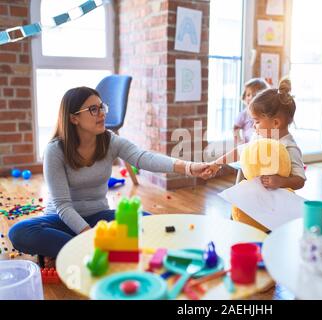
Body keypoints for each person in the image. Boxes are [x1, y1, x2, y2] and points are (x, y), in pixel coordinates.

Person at [8, 86, 212, 268]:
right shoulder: (55, 150)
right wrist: (89, 235)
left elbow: (143, 158)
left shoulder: (110, 140)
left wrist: (189, 167)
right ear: (73, 118)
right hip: (61, 220)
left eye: (101, 107)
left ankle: (74, 251)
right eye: (93, 109)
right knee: (19, 232)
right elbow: (62, 206)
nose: (102, 114)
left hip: (99, 217)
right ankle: (92, 249)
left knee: (150, 224)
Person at [208, 78, 306, 228]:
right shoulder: (259, 138)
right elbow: (240, 151)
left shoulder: (289, 148)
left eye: (257, 121)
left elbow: (300, 180)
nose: (253, 126)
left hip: (278, 209)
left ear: (276, 123)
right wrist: (216, 164)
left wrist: (281, 182)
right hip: (254, 202)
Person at [233, 78, 270, 144]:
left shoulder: (266, 113)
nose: (251, 98)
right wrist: (239, 141)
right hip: (248, 146)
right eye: (248, 95)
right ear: (244, 97)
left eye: (255, 95)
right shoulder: (244, 114)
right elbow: (235, 128)